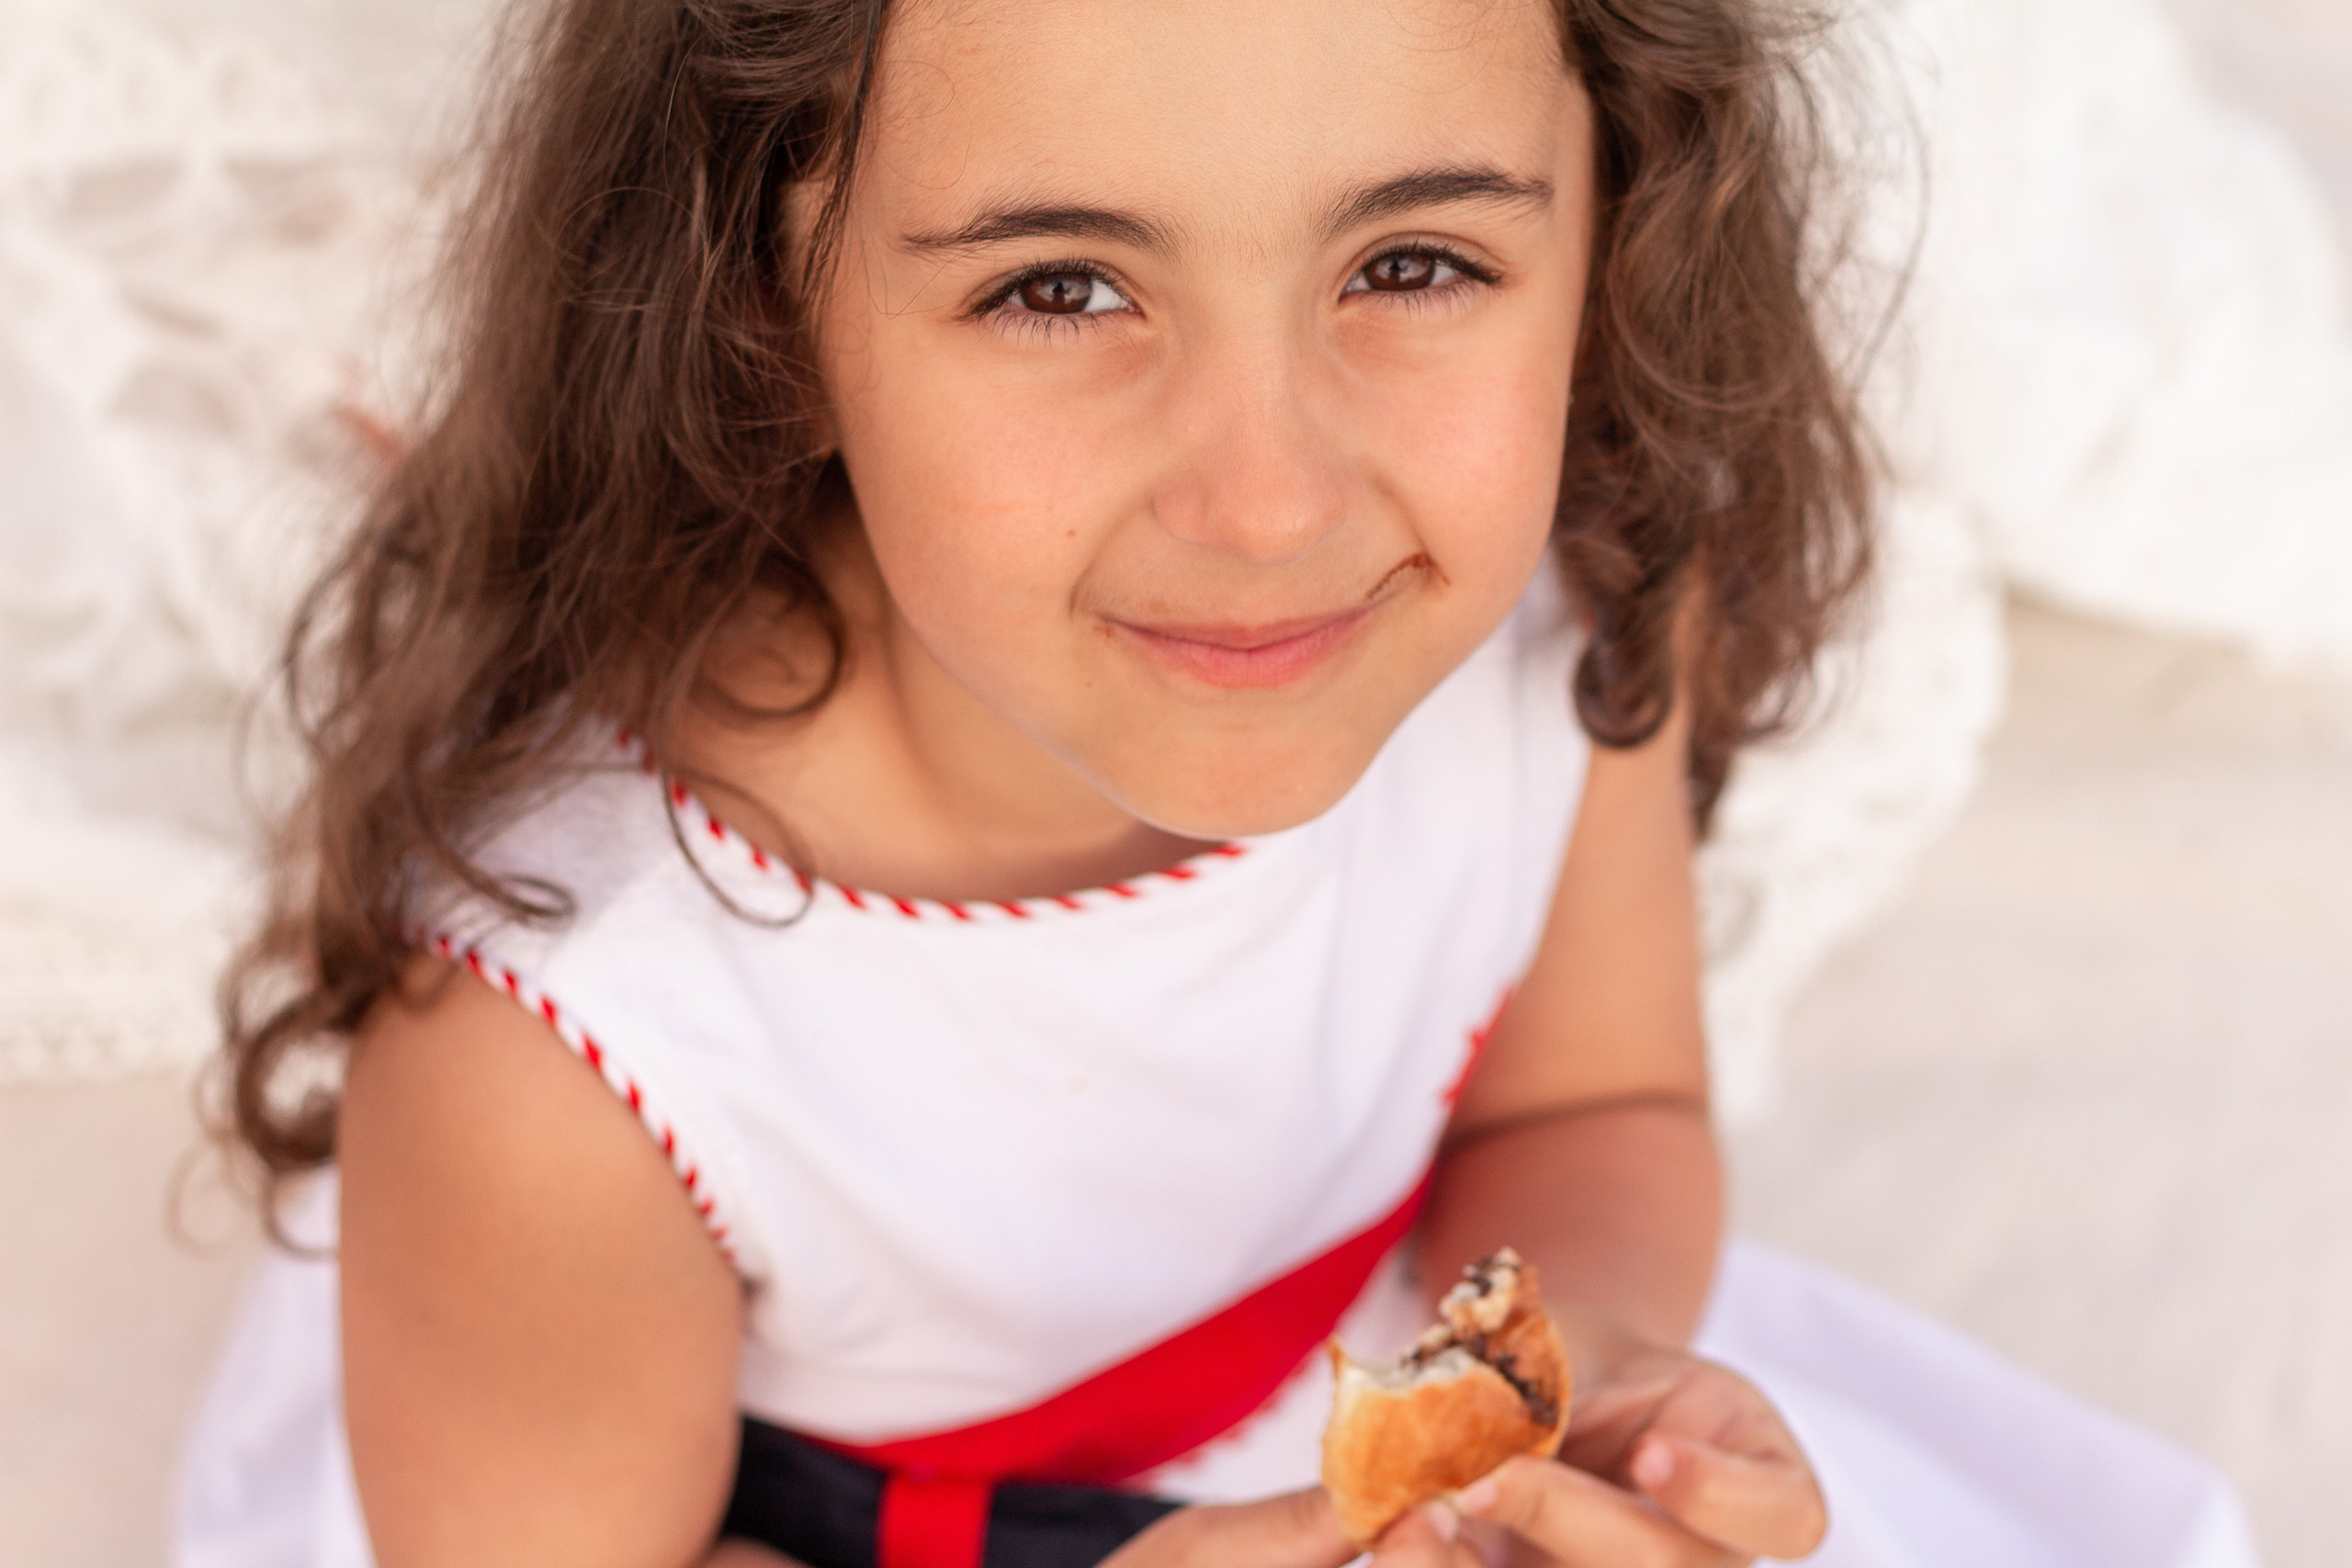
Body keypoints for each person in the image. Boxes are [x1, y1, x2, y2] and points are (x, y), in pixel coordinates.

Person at [173, 1, 2261, 1565]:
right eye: (1057, 287)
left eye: (1412, 262)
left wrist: (1564, 1369)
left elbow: (1590, 1100)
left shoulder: (1569, 623)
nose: (1265, 503)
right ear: (761, 305)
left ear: (1613, 213)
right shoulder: (573, 1027)